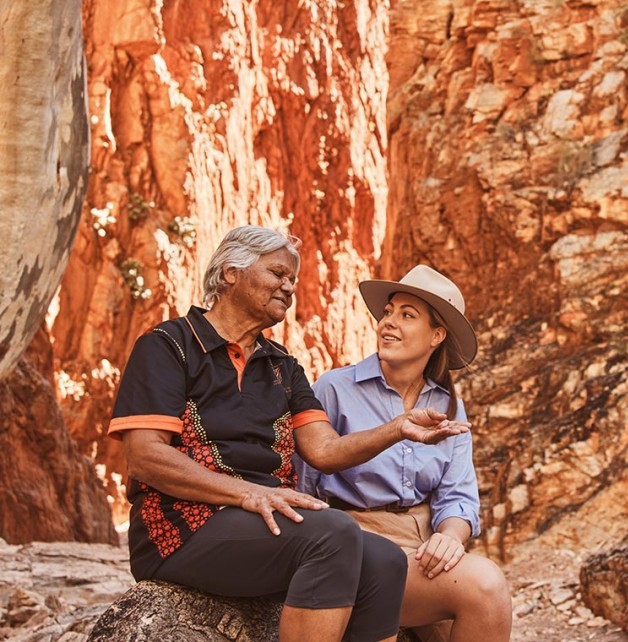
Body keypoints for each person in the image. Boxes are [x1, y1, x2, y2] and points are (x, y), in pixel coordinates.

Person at [108, 226, 470, 642]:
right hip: (180, 529)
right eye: (278, 273)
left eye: (292, 279)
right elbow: (145, 457)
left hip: (263, 524)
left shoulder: (282, 366)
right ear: (230, 272)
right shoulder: (168, 346)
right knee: (334, 535)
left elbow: (325, 450)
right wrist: (249, 493)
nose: (289, 286)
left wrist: (396, 430)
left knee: (385, 561)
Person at [296, 265, 512, 642]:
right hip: (356, 544)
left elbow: (458, 495)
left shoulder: (446, 403)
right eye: (388, 312)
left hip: (424, 545)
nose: (388, 323)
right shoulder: (334, 389)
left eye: (407, 315)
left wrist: (450, 536)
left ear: (437, 335)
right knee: (486, 588)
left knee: (487, 598)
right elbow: (304, 486)